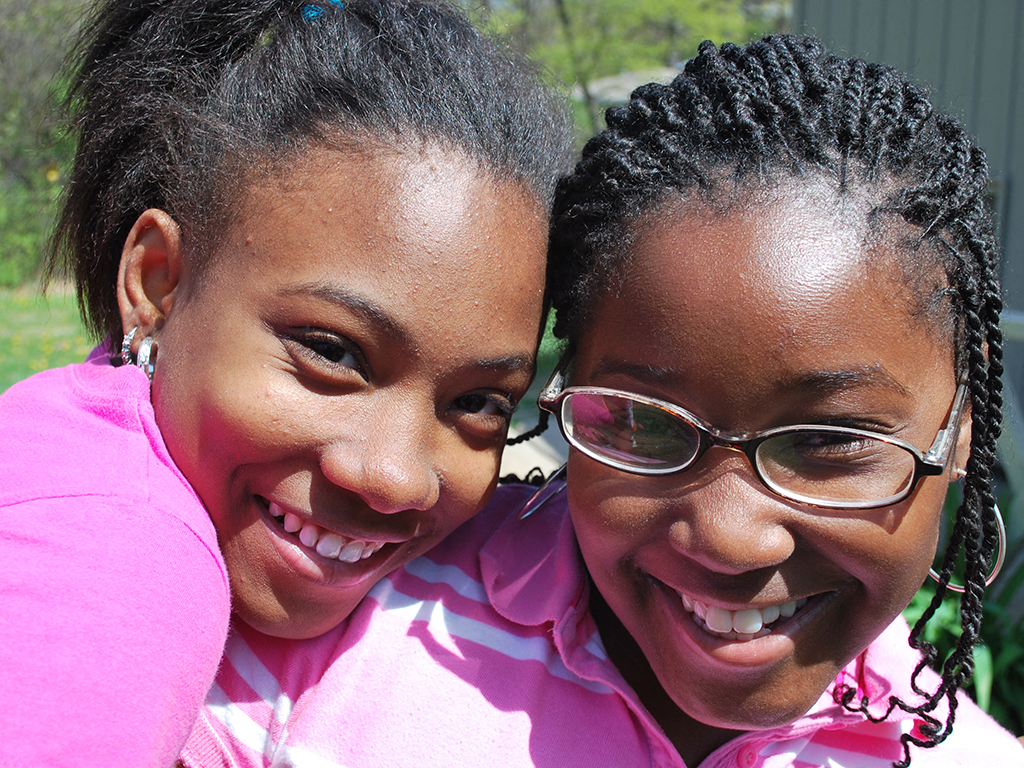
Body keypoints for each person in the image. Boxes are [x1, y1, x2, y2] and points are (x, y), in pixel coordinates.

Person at [179, 35, 1024, 768]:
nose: (730, 539)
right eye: (643, 424)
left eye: (828, 440)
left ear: (961, 426)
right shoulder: (351, 620)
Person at [0, 0, 571, 764]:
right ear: (158, 282)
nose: (396, 477)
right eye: (332, 352)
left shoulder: (64, 430)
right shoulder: (123, 553)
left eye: (478, 403)